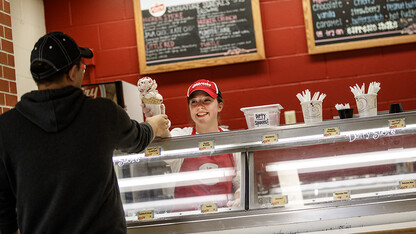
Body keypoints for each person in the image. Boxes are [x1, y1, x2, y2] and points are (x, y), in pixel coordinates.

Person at [0, 31, 170, 234]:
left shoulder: (6, 127)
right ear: (72, 73)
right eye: (82, 66)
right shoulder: (102, 113)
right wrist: (154, 124)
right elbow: (137, 140)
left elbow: (3, 209)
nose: (83, 71)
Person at [167, 79, 241, 210]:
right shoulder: (181, 137)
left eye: (207, 100)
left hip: (221, 219)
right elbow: (164, 146)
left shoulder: (231, 140)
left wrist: (239, 198)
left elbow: (240, 183)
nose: (200, 106)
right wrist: (155, 115)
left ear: (219, 106)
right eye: (194, 102)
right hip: (185, 222)